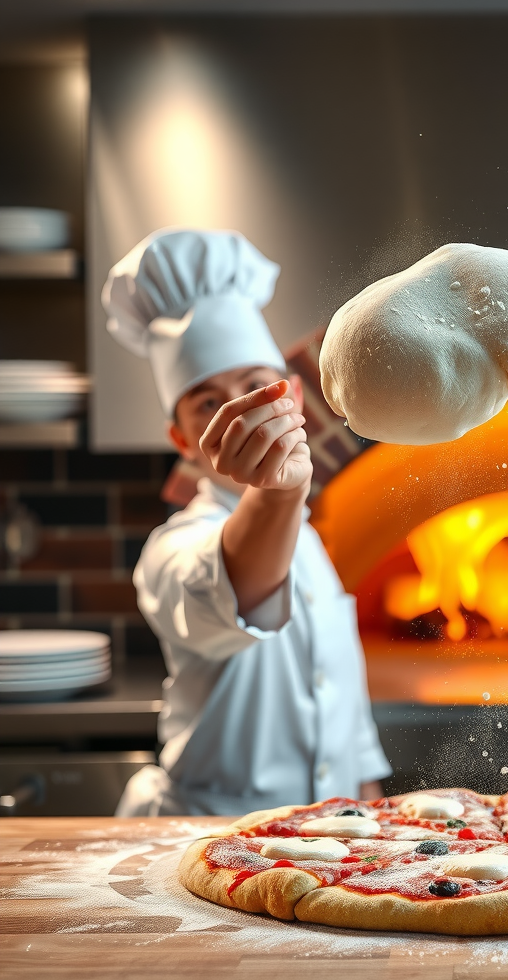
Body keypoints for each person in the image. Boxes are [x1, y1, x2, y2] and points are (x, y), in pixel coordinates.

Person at [104, 227, 391, 816]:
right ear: (183, 440)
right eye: (209, 402)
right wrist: (279, 496)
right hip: (209, 837)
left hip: (326, 840)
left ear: (293, 403)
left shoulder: (307, 539)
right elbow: (231, 588)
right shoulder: (173, 548)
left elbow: (341, 698)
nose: (242, 412)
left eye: (257, 387)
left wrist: (367, 800)